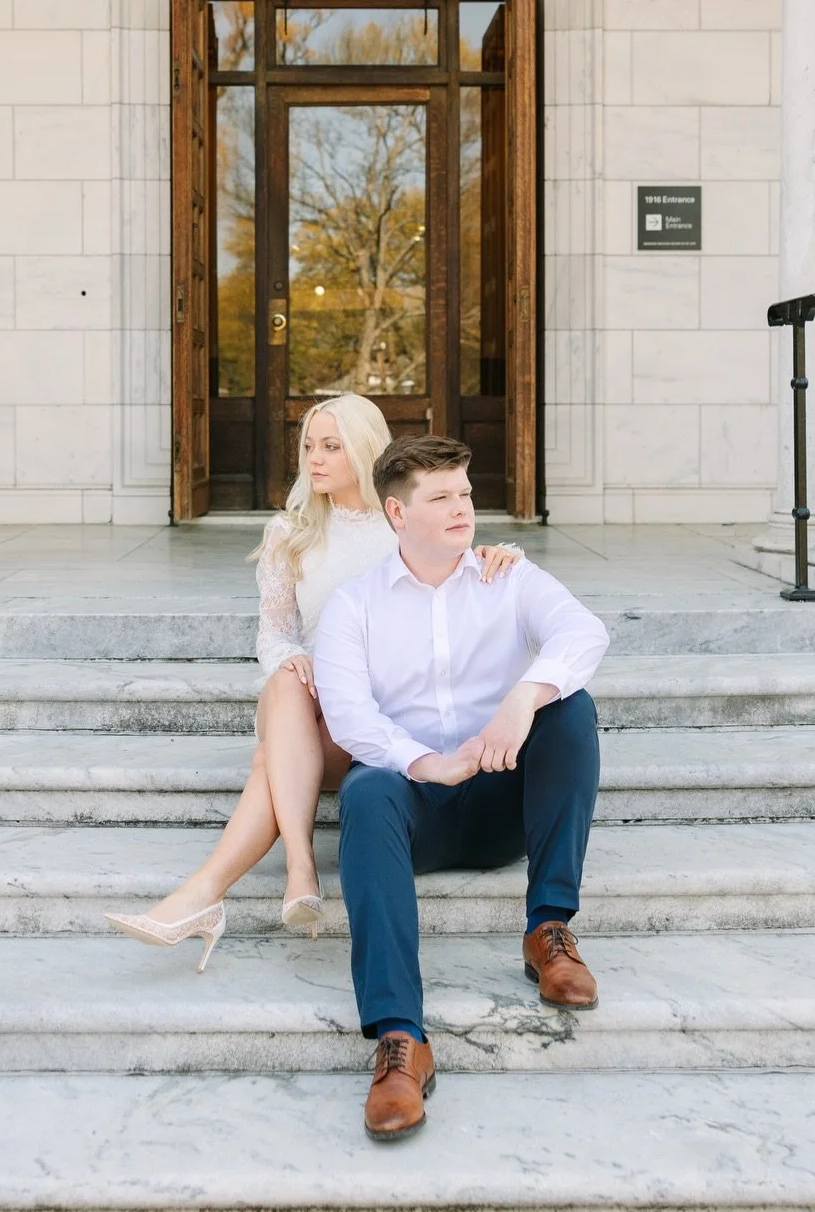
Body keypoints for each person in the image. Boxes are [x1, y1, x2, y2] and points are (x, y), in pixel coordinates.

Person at [106, 398, 520, 971]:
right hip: (306, 701)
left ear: (365, 450)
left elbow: (463, 573)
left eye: (332, 446)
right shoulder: (290, 532)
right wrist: (297, 658)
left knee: (265, 764)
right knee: (284, 678)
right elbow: (274, 632)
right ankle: (297, 868)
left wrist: (500, 554)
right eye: (309, 446)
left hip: (372, 714)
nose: (316, 459)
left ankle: (211, 895)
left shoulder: (403, 522)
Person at [313, 434, 608, 1143]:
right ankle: (401, 1041)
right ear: (396, 511)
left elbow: (583, 631)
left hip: (502, 794)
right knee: (365, 790)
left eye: (466, 494)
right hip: (416, 811)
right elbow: (351, 717)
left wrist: (524, 696)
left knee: (570, 708)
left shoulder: (509, 576)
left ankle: (549, 929)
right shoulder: (353, 606)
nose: (461, 509)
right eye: (440, 497)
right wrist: (425, 763)